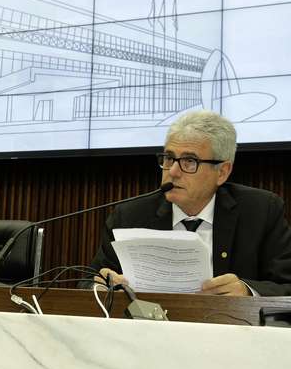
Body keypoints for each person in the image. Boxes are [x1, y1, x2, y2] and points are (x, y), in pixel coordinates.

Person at [89, 110, 291, 296]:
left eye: (189, 161)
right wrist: (101, 286)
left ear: (222, 172)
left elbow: (286, 285)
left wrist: (248, 292)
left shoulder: (261, 211)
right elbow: (88, 281)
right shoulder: (130, 215)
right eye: (169, 158)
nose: (173, 172)